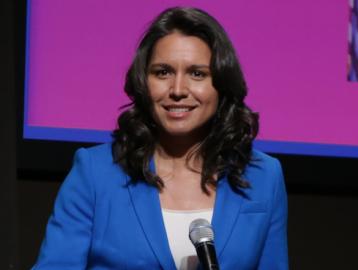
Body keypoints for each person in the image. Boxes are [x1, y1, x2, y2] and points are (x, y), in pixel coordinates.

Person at [33, 7, 288, 270]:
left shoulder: (264, 176)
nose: (178, 90)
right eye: (163, 72)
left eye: (197, 73)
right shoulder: (95, 172)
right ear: (144, 82)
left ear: (221, 84)